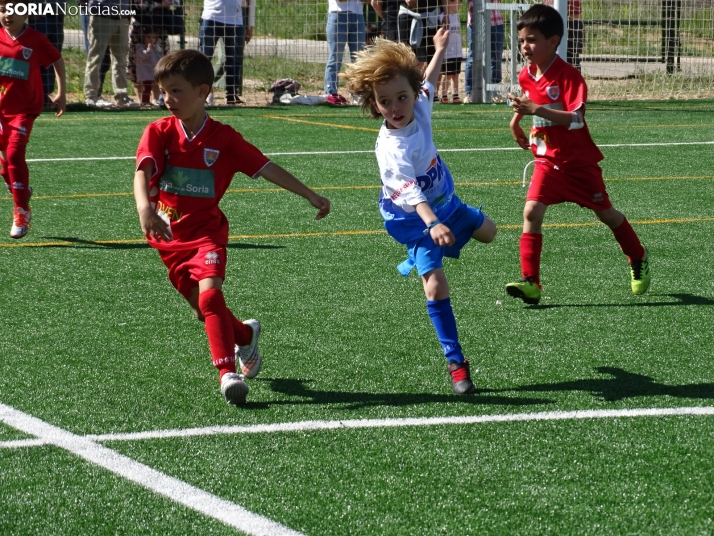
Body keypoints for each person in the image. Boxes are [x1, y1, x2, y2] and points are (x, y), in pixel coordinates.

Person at [133, 50, 331, 405]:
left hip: (208, 233)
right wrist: (145, 209)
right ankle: (244, 335)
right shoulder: (159, 132)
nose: (167, 100)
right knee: (204, 312)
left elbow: (266, 166)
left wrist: (310, 195)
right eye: (164, 92)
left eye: (176, 91)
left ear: (202, 91)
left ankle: (227, 374)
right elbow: (142, 173)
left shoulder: (224, 140)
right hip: (169, 238)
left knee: (210, 298)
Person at [342, 30, 497, 395]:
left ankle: (452, 229)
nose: (396, 108)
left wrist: (440, 50)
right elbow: (410, 193)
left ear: (413, 94)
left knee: (490, 232)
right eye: (385, 101)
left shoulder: (420, 102)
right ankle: (456, 362)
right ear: (373, 103)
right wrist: (433, 224)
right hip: (415, 219)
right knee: (435, 284)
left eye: (402, 98)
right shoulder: (391, 148)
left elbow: (428, 79)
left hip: (447, 203)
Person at [505, 4, 650, 305]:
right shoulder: (526, 76)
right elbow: (530, 103)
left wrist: (536, 110)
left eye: (531, 40)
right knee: (531, 212)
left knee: (606, 214)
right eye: (521, 41)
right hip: (547, 161)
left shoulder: (569, 77)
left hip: (578, 163)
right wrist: (516, 122)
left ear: (553, 41)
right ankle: (531, 283)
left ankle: (637, 256)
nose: (524, 47)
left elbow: (576, 119)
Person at [0, 0, 66, 239]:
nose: (8, 14)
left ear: (26, 12)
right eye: (3, 9)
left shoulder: (36, 39)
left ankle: (21, 210)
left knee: (15, 153)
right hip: (0, 111)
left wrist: (61, 92)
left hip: (24, 110)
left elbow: (57, 59)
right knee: (6, 164)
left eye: (15, 10)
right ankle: (21, 190)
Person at [83, 0, 139, 107]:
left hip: (122, 18)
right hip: (101, 17)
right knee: (95, 59)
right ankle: (91, 96)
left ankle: (121, 96)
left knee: (121, 61)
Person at [199, 0, 247, 105]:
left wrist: (250, 25)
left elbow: (249, 2)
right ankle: (200, 93)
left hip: (235, 21)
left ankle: (231, 95)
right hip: (211, 18)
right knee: (203, 59)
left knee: (233, 59)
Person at [323, 0, 366, 106]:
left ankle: (356, 92)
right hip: (338, 14)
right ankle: (331, 92)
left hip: (358, 15)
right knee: (336, 57)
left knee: (358, 58)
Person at [27, 0, 64, 109]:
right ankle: (36, 95)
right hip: (39, 14)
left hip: (58, 12)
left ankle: (45, 95)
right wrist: (30, 7)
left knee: (52, 56)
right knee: (36, 57)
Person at [464, 0, 503, 103]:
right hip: (476, 22)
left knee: (496, 58)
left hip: (496, 21)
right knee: (473, 57)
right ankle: (470, 93)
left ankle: (494, 92)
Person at [545, 0, 583, 70]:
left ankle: (572, 79)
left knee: (572, 59)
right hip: (551, 17)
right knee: (550, 57)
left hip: (572, 20)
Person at [436, 0, 461, 103]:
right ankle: (444, 95)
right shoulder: (442, 16)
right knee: (448, 74)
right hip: (448, 52)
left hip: (457, 51)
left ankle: (455, 94)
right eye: (457, 2)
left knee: (456, 74)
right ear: (449, 3)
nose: (459, 5)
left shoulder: (457, 16)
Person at [133, 28, 161, 105]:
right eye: (148, 37)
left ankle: (153, 100)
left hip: (152, 71)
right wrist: (149, 49)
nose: (151, 39)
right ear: (144, 38)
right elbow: (144, 56)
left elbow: (157, 58)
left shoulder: (155, 48)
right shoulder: (140, 47)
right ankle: (145, 101)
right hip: (144, 72)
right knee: (147, 87)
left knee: (152, 86)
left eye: (153, 38)